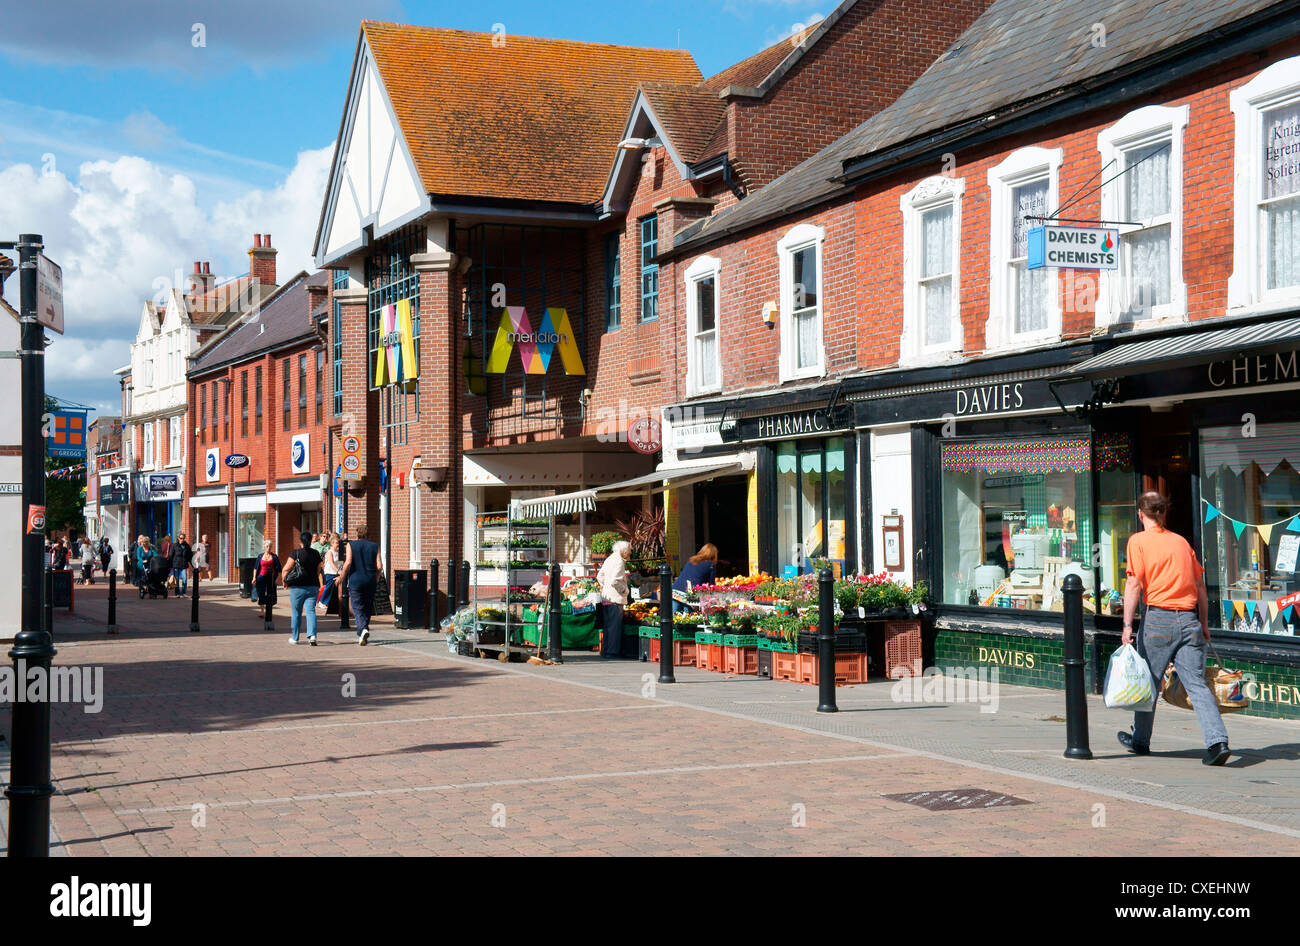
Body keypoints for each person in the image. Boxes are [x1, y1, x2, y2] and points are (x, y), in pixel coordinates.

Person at [1119, 491, 1230, 766]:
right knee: (1197, 684)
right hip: (1189, 619)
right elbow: (1200, 587)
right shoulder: (1181, 542)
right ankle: (1218, 743)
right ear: (1163, 513)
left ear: (1140, 513)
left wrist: (1127, 625)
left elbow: (1134, 584)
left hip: (1158, 619)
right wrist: (1204, 624)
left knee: (1150, 683)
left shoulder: (1138, 542)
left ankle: (1141, 741)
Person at [338, 524, 382, 646]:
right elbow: (379, 566)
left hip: (356, 580)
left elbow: (348, 563)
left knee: (357, 607)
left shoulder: (351, 545)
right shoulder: (374, 546)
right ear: (368, 534)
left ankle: (362, 629)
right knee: (367, 607)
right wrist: (377, 577)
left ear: (357, 534)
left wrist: (342, 577)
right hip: (370, 580)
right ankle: (364, 630)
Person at [283, 531, 323, 646]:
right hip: (312, 586)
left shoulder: (295, 553)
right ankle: (312, 636)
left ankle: (295, 638)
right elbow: (319, 568)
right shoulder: (316, 553)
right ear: (311, 541)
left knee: (296, 612)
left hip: (297, 587)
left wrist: (285, 581)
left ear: (300, 541)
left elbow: (286, 568)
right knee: (310, 611)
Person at [596, 540, 630, 658]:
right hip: (615, 598)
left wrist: (605, 587)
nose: (629, 553)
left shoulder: (609, 559)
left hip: (606, 597)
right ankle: (612, 652)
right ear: (624, 551)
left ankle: (606, 651)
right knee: (614, 627)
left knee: (607, 627)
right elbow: (615, 581)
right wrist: (625, 590)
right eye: (629, 551)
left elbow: (599, 576)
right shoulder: (619, 561)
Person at [672, 543, 718, 612]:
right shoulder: (710, 565)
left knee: (673, 618)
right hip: (689, 594)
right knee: (689, 619)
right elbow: (711, 585)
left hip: (675, 590)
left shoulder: (691, 560)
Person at [254, 540, 281, 623]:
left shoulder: (274, 557)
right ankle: (262, 612)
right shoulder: (260, 556)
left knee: (271, 595)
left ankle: (269, 611)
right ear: (264, 547)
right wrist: (254, 578)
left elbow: (279, 570)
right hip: (261, 578)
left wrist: (277, 579)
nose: (268, 548)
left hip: (271, 579)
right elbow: (255, 568)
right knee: (261, 594)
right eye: (267, 546)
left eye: (270, 546)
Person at [318, 532, 342, 614]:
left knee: (335, 589)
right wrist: (338, 571)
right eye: (336, 543)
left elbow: (340, 563)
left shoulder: (339, 553)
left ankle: (332, 604)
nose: (338, 544)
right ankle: (322, 601)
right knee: (329, 587)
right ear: (331, 543)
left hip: (337, 573)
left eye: (338, 542)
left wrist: (340, 571)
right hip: (330, 573)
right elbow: (331, 563)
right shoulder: (329, 552)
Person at [171, 532, 193, 597]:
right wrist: (170, 565)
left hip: (184, 564)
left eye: (183, 538)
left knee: (185, 579)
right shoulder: (174, 545)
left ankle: (184, 592)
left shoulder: (187, 546)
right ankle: (177, 593)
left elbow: (190, 556)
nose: (182, 540)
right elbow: (171, 555)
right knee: (177, 579)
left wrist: (193, 565)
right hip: (176, 564)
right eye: (180, 538)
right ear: (178, 538)